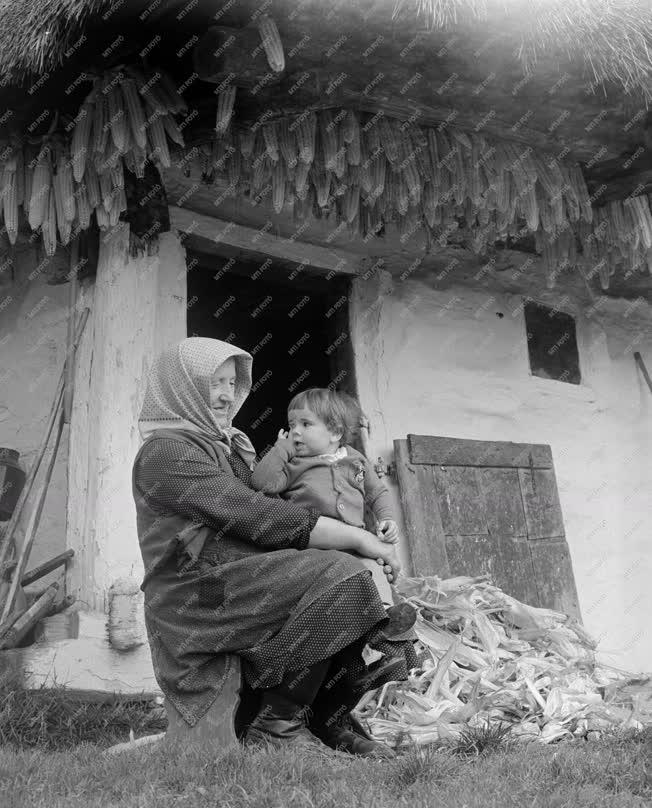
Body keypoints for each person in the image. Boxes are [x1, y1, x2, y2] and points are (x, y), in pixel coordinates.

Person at [131, 338, 417, 757]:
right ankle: (276, 727)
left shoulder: (228, 447)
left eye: (232, 383)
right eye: (214, 383)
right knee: (339, 577)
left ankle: (324, 720)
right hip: (196, 588)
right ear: (182, 387)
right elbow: (257, 515)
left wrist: (366, 542)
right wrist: (359, 538)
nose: (227, 394)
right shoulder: (167, 452)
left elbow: (267, 512)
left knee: (370, 603)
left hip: (236, 576)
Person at [250, 388, 401, 605]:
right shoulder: (294, 465)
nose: (295, 432)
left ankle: (384, 616)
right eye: (292, 425)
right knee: (344, 580)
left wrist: (387, 519)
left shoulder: (355, 459)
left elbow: (377, 492)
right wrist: (280, 450)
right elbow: (262, 483)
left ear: (335, 432)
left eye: (305, 424)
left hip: (356, 546)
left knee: (376, 572)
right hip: (312, 547)